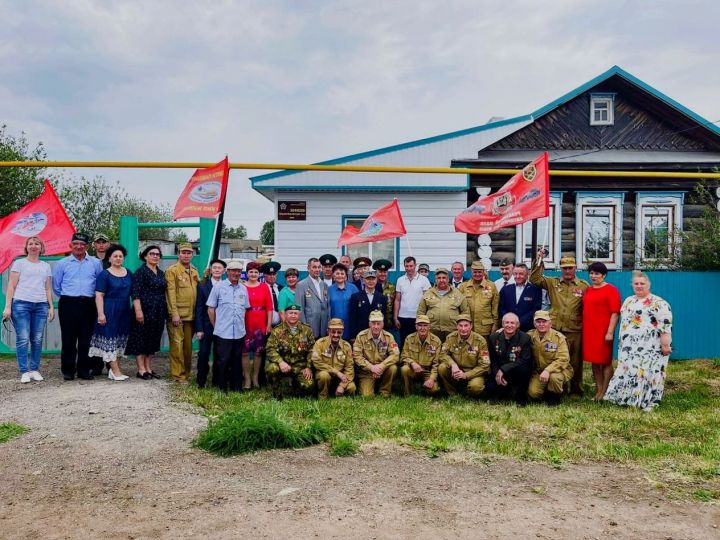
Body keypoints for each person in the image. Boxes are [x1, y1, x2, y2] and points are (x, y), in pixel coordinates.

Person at [604, 271, 672, 411]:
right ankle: (627, 398)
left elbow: (665, 326)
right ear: (632, 285)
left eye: (642, 283)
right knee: (629, 370)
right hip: (629, 347)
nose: (639, 286)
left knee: (646, 372)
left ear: (648, 284)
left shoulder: (659, 303)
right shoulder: (628, 300)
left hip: (650, 347)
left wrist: (665, 345)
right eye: (636, 283)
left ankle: (647, 400)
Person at [530, 252, 589, 397]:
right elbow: (535, 278)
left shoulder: (584, 286)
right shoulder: (553, 283)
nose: (567, 271)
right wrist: (539, 260)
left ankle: (575, 390)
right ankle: (556, 387)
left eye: (570, 268)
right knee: (553, 358)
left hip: (574, 329)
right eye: (564, 268)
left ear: (575, 268)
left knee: (575, 361)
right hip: (555, 328)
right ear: (561, 269)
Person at [2, 236, 54, 383]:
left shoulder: (46, 266)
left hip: (40, 305)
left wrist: (51, 306)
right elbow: (11, 286)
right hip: (21, 304)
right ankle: (24, 371)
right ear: (26, 247)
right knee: (23, 338)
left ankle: (34, 369)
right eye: (30, 244)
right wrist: (8, 307)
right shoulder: (19, 263)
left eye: (36, 243)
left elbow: (48, 288)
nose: (33, 246)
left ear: (41, 247)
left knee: (37, 339)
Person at [52, 232, 103, 380]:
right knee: (68, 338)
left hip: (89, 304)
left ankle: (84, 370)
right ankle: (68, 370)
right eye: (76, 244)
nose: (79, 246)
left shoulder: (95, 263)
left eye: (82, 244)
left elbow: (99, 283)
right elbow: (56, 286)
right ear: (71, 245)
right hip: (68, 303)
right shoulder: (62, 263)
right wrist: (70, 296)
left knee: (86, 338)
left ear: (87, 247)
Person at [89, 244, 132, 381]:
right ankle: (116, 371)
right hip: (109, 309)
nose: (118, 258)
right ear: (109, 258)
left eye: (120, 256)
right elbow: (99, 295)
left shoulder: (129, 273)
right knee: (110, 340)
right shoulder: (104, 274)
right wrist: (101, 313)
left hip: (124, 310)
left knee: (120, 340)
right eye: (115, 256)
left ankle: (114, 370)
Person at [206, 261, 251, 392]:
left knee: (237, 360)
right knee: (223, 360)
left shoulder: (243, 288)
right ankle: (222, 387)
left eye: (238, 271)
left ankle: (236, 387)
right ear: (228, 272)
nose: (236, 273)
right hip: (223, 332)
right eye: (233, 270)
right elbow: (211, 309)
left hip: (239, 331)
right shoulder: (219, 287)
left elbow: (245, 308)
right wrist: (216, 325)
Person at [125, 245, 167, 380]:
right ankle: (141, 370)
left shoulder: (161, 273)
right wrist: (138, 311)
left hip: (159, 310)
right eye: (152, 254)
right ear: (145, 256)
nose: (155, 256)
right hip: (144, 309)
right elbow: (135, 293)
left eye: (157, 254)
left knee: (153, 339)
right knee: (141, 339)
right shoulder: (140, 272)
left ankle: (149, 368)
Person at [582, 262, 621, 400]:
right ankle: (598, 390)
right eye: (591, 273)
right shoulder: (588, 290)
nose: (593, 276)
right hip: (589, 330)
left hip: (604, 331)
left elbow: (615, 313)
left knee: (605, 361)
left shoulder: (611, 290)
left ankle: (605, 391)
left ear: (604, 275)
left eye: (597, 273)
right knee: (594, 361)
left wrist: (610, 332)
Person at [165, 242, 200, 384]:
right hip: (178, 315)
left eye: (189, 253)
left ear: (192, 255)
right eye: (183, 252)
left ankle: (186, 373)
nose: (186, 255)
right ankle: (178, 375)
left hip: (191, 315)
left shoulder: (194, 270)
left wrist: (205, 277)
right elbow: (170, 293)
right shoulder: (172, 271)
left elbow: (198, 289)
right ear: (178, 254)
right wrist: (174, 313)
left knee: (188, 348)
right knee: (177, 346)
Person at [265, 304, 316, 399]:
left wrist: (308, 367)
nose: (293, 315)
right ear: (285, 314)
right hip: (283, 365)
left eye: (295, 313)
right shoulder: (277, 330)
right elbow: (270, 348)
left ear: (299, 315)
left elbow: (312, 350)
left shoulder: (307, 330)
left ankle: (296, 386)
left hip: (300, 366)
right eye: (290, 313)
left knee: (309, 385)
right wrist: (280, 362)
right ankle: (277, 394)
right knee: (271, 368)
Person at [437, 313, 489, 398]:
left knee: (475, 387)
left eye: (466, 325)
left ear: (471, 326)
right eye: (460, 326)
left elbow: (485, 365)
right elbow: (443, 354)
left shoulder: (480, 341)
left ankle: (467, 393)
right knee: (442, 368)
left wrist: (465, 375)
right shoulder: (451, 337)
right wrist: (453, 365)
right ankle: (452, 393)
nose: (463, 329)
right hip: (455, 371)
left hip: (473, 373)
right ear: (457, 326)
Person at [527, 311, 573, 405]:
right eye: (538, 322)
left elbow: (563, 359)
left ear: (550, 323)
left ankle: (555, 397)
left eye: (544, 321)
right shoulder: (530, 335)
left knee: (554, 378)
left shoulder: (559, 338)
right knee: (533, 393)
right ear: (534, 324)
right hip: (539, 371)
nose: (541, 324)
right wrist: (503, 330)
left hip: (559, 370)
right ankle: (547, 390)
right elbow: (517, 336)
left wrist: (548, 370)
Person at [486, 313, 533, 406]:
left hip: (516, 371)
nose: (509, 325)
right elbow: (493, 359)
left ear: (517, 325)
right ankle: (501, 394)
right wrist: (497, 373)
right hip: (499, 370)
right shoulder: (493, 337)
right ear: (502, 324)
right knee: (490, 386)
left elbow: (524, 360)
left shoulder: (524, 338)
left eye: (512, 323)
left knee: (524, 370)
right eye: (506, 322)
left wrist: (503, 369)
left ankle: (520, 397)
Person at [194, 258, 226, 388]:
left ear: (224, 271)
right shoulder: (202, 286)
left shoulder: (227, 286)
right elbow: (199, 308)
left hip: (222, 327)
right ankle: (201, 381)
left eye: (219, 268)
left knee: (220, 355)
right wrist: (199, 329)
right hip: (206, 326)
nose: (217, 270)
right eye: (214, 268)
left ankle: (217, 381)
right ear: (210, 270)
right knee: (203, 354)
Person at [353, 310, 400, 397]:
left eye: (378, 323)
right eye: (373, 323)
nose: (376, 326)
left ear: (383, 324)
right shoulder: (361, 336)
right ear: (369, 324)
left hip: (383, 370)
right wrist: (371, 367)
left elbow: (395, 355)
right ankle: (372, 386)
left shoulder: (389, 337)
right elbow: (357, 356)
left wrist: (381, 366)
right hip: (367, 372)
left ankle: (384, 391)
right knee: (367, 396)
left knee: (393, 368)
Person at [243, 260, 274, 389]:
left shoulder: (264, 287)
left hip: (261, 322)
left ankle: (255, 378)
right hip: (245, 322)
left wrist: (269, 324)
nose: (253, 274)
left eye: (256, 272)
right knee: (244, 352)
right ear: (247, 273)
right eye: (251, 272)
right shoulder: (242, 286)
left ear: (259, 274)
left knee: (258, 352)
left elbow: (269, 307)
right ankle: (247, 379)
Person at [309, 318, 356, 399]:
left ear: (342, 332)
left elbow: (349, 368)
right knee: (324, 375)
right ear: (328, 331)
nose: (336, 335)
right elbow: (316, 362)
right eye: (333, 332)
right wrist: (337, 372)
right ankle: (323, 397)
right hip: (325, 377)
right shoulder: (320, 343)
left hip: (339, 379)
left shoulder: (347, 346)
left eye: (339, 332)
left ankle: (339, 396)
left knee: (351, 387)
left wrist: (342, 385)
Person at [417, 267, 468, 342]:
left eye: (444, 278)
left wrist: (463, 327)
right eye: (439, 278)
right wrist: (422, 327)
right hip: (432, 331)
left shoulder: (457, 293)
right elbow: (421, 312)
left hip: (452, 331)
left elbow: (465, 312)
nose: (441, 280)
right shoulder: (428, 293)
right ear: (435, 280)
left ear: (448, 279)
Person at [393, 256, 431, 350]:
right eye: (407, 266)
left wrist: (427, 316)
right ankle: (405, 358)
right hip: (403, 317)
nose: (409, 268)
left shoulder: (424, 280)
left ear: (415, 265)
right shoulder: (400, 280)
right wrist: (395, 317)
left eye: (411, 266)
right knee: (404, 342)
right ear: (404, 266)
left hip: (418, 317)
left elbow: (428, 300)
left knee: (418, 342)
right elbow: (397, 300)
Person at [399, 315, 441, 396]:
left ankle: (424, 388)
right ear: (416, 327)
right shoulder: (409, 338)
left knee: (433, 390)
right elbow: (403, 356)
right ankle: (407, 393)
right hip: (413, 370)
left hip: (427, 371)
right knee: (404, 369)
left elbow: (436, 364)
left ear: (429, 327)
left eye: (425, 325)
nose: (422, 328)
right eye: (420, 325)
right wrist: (412, 363)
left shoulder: (436, 341)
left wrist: (431, 379)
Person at [458, 261, 498, 340]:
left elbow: (495, 306)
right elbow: (458, 307)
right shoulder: (463, 286)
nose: (477, 274)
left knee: (484, 347)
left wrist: (495, 324)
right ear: (471, 272)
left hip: (485, 328)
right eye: (475, 272)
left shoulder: (491, 286)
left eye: (479, 272)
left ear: (483, 272)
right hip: (467, 327)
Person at [499, 263, 542, 332]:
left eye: (521, 274)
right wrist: (509, 321)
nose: (517, 276)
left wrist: (519, 322)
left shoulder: (535, 290)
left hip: (527, 329)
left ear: (527, 274)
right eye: (515, 274)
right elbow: (501, 308)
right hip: (508, 328)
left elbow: (535, 309)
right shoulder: (505, 289)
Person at [295, 257, 329, 339]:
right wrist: (304, 327)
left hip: (323, 327)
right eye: (314, 267)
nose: (317, 269)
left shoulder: (324, 285)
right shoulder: (301, 285)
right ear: (308, 268)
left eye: (319, 267)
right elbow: (299, 308)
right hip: (310, 327)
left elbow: (327, 306)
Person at [348, 269, 387, 340]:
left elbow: (384, 318)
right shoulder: (355, 297)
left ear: (376, 280)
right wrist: (353, 336)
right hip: (360, 334)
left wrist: (384, 335)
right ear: (363, 280)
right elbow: (353, 318)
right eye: (368, 279)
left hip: (377, 334)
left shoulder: (382, 298)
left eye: (373, 279)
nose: (371, 281)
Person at [328, 263, 359, 340]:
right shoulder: (329, 290)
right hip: (334, 326)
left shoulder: (353, 288)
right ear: (333, 275)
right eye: (337, 273)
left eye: (342, 273)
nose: (340, 275)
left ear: (345, 276)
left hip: (349, 325)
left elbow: (358, 307)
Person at [261, 261, 283, 328]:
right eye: (269, 274)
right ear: (264, 275)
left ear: (277, 274)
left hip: (280, 324)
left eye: (274, 274)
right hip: (265, 324)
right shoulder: (261, 288)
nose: (272, 276)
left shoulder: (281, 288)